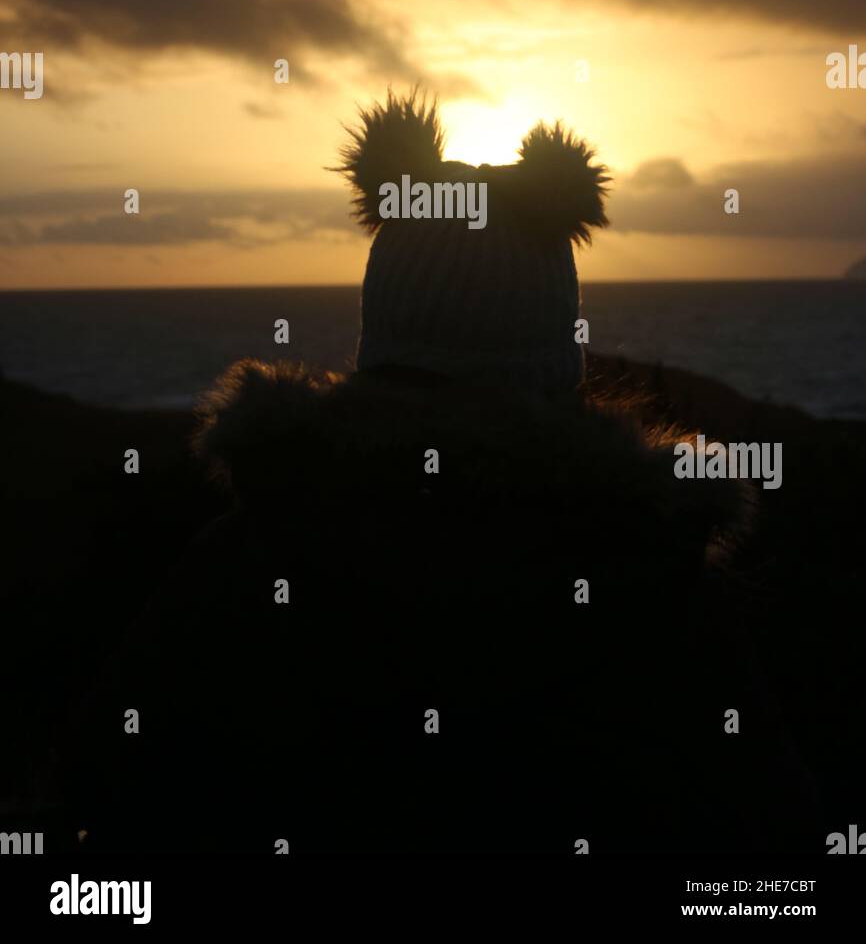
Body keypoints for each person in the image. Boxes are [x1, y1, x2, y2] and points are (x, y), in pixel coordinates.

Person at [63, 91, 813, 854]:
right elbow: (770, 858)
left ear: (379, 335)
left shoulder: (246, 558)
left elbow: (96, 799)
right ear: (555, 347)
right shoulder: (661, 582)